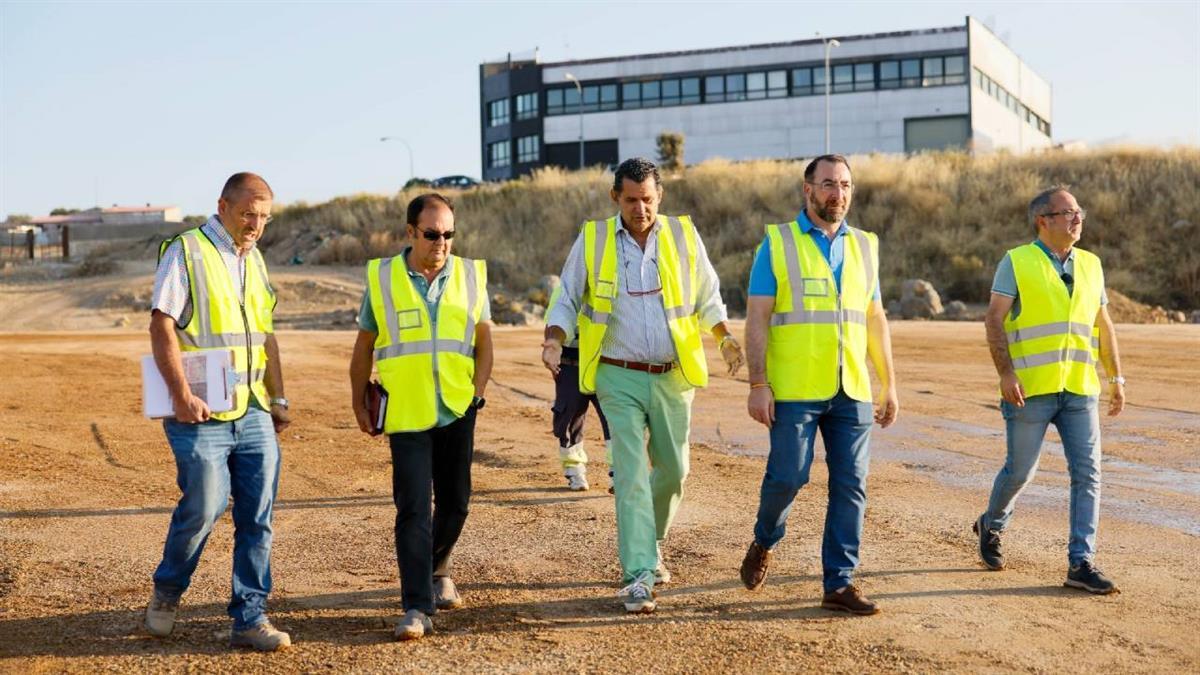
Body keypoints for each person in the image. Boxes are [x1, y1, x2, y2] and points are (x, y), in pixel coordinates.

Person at [543, 157, 745, 614]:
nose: (640, 209)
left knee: (674, 472)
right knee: (631, 475)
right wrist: (554, 340)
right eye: (631, 200)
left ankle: (649, 542)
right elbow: (567, 296)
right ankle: (638, 574)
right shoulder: (593, 239)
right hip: (617, 374)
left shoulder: (681, 235)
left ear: (660, 197)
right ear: (616, 197)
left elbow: (707, 293)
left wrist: (724, 337)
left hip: (673, 375)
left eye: (648, 199)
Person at [739, 154, 898, 616]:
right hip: (794, 389)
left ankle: (840, 582)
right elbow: (758, 318)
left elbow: (874, 318)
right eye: (828, 184)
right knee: (789, 476)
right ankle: (765, 539)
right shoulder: (777, 243)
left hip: (851, 388)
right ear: (807, 190)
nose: (838, 194)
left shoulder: (866, 245)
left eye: (846, 185)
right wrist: (757, 382)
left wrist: (888, 382)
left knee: (852, 483)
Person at [144, 172, 292, 651]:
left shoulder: (258, 260)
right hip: (200, 410)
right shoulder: (186, 251)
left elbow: (265, 334)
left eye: (264, 216)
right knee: (204, 506)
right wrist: (181, 394)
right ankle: (168, 590)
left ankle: (250, 616)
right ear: (223, 205)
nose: (255, 224)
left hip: (252, 411)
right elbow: (162, 324)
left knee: (258, 517)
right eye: (248, 212)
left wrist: (279, 398)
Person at [349, 193, 494, 640]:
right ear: (411, 232)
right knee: (413, 509)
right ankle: (417, 605)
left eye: (449, 234)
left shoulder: (470, 275)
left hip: (456, 406)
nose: (442, 242)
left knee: (456, 502)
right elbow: (364, 346)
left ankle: (436, 567)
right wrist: (358, 399)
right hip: (407, 412)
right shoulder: (383, 277)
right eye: (432, 234)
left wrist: (477, 394)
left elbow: (484, 342)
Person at [974, 185, 1124, 594]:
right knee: (1020, 471)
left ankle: (1081, 562)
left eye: (1079, 211)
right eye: (1068, 212)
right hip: (1031, 389)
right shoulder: (1016, 262)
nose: (1078, 218)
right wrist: (1006, 374)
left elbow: (1102, 325)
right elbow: (994, 319)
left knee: (1088, 473)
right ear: (1044, 220)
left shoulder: (1092, 265)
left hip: (1079, 389)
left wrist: (1116, 378)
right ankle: (992, 523)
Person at [546, 283, 613, 492]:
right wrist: (552, 354)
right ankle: (574, 471)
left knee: (616, 419)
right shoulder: (564, 289)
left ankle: (619, 472)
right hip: (570, 365)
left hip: (605, 365)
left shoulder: (610, 287)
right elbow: (552, 324)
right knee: (568, 419)